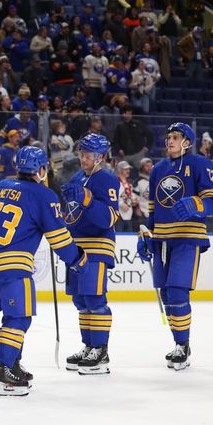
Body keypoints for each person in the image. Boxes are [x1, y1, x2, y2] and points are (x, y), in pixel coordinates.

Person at [0, 146, 89, 396]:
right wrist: (78, 259)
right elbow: (59, 238)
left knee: (12, 315)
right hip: (12, 265)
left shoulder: (0, 186)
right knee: (20, 317)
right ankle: (2, 371)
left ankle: (12, 362)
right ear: (40, 169)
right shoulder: (44, 194)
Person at [137, 123, 213, 371]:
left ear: (187, 141)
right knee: (166, 295)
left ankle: (183, 345)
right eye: (168, 137)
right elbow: (152, 208)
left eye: (175, 137)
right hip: (162, 240)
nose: (169, 141)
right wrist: (147, 235)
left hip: (188, 237)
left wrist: (196, 204)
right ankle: (178, 343)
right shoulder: (158, 168)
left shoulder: (199, 163)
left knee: (177, 291)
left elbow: (212, 200)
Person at [60, 134, 120, 375]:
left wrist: (86, 200)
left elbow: (109, 218)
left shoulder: (106, 178)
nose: (83, 157)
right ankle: (88, 346)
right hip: (76, 247)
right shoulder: (77, 177)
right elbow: (71, 215)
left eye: (88, 154)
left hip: (96, 247)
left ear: (100, 157)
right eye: (81, 153)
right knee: (81, 301)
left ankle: (101, 349)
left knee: (95, 299)